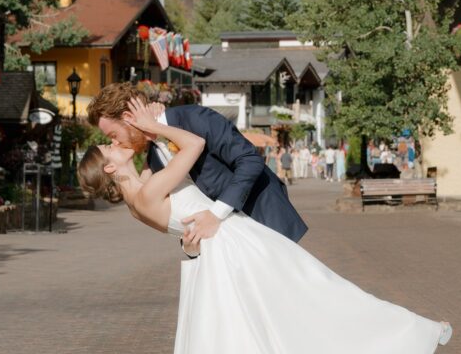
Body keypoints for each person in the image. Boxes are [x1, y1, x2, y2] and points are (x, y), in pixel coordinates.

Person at [78, 98, 453, 354]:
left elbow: (180, 183)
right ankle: (401, 338)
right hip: (234, 249)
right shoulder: (148, 187)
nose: (114, 143)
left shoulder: (142, 187)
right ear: (111, 169)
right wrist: (157, 126)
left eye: (110, 136)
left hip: (217, 255)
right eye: (109, 146)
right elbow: (193, 146)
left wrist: (155, 121)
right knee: (317, 299)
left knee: (255, 345)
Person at [88, 82, 306, 251]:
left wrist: (216, 214)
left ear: (128, 118)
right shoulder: (153, 158)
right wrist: (190, 246)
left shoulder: (195, 117)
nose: (115, 143)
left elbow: (250, 160)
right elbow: (186, 210)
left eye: (113, 135)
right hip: (230, 245)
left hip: (264, 219)